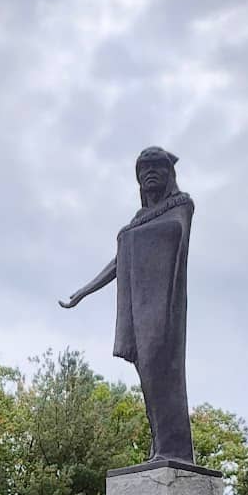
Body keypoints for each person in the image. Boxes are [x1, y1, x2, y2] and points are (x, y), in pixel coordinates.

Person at [60, 147, 195, 465]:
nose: (149, 173)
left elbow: (173, 233)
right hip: (138, 309)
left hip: (163, 308)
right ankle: (160, 444)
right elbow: (120, 260)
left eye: (156, 168)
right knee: (148, 376)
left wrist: (137, 239)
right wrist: (85, 290)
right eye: (143, 169)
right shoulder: (138, 219)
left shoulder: (181, 205)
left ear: (169, 173)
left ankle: (175, 448)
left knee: (164, 373)